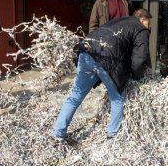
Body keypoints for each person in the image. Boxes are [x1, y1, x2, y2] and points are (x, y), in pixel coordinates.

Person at [54, 8, 152, 139]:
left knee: (76, 95)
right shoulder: (140, 28)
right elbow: (140, 58)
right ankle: (113, 135)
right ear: (143, 19)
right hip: (106, 59)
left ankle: (58, 133)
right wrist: (137, 76)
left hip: (86, 51)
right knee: (118, 98)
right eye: (148, 24)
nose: (149, 27)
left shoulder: (120, 21)